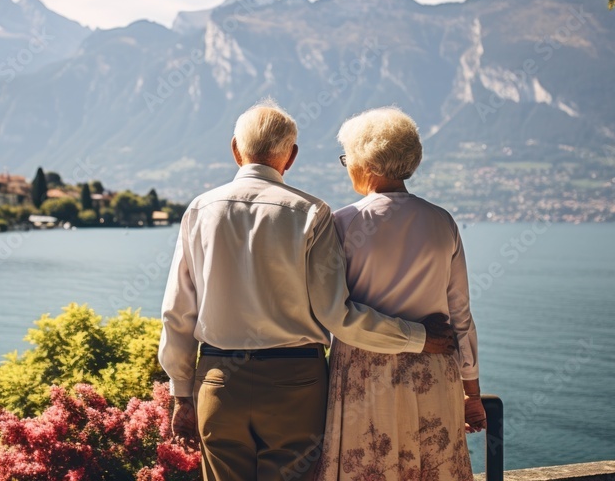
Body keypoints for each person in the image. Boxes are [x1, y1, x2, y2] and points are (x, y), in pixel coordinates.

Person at [158, 99, 455, 481]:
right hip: (295, 384)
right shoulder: (312, 214)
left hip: (219, 381)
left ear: (235, 149)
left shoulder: (199, 210)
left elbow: (177, 312)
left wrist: (181, 394)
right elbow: (337, 315)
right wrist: (418, 337)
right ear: (291, 156)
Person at [314, 107, 485, 481]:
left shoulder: (343, 224)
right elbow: (461, 316)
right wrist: (471, 393)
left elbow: (333, 312)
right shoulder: (442, 221)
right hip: (436, 372)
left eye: (347, 158)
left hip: (365, 376)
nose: (347, 167)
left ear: (365, 160)